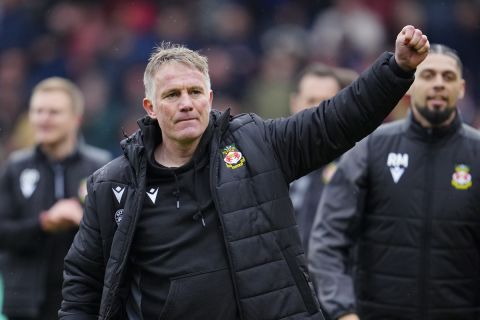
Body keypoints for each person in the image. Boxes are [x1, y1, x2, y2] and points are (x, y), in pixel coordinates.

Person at [59, 25, 429, 320]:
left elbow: (334, 121)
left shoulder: (258, 145)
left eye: (195, 92)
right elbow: (82, 281)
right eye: (172, 95)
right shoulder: (113, 184)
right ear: (150, 107)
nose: (186, 103)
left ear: (210, 96)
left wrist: (395, 69)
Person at [308, 44, 480, 320]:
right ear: (409, 87)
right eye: (428, 75)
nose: (438, 84)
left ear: (461, 89)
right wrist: (343, 310)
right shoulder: (372, 148)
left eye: (447, 78)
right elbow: (328, 239)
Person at [0, 77, 111, 319]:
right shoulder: (15, 167)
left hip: (84, 303)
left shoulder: (101, 168)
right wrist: (44, 223)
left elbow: (117, 234)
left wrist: (84, 220)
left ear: (76, 118)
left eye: (54, 112)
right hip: (25, 305)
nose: (44, 119)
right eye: (38, 111)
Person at [289, 63, 358, 253]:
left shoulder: (358, 163)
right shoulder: (272, 160)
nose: (317, 110)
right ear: (294, 103)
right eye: (311, 100)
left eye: (326, 102)